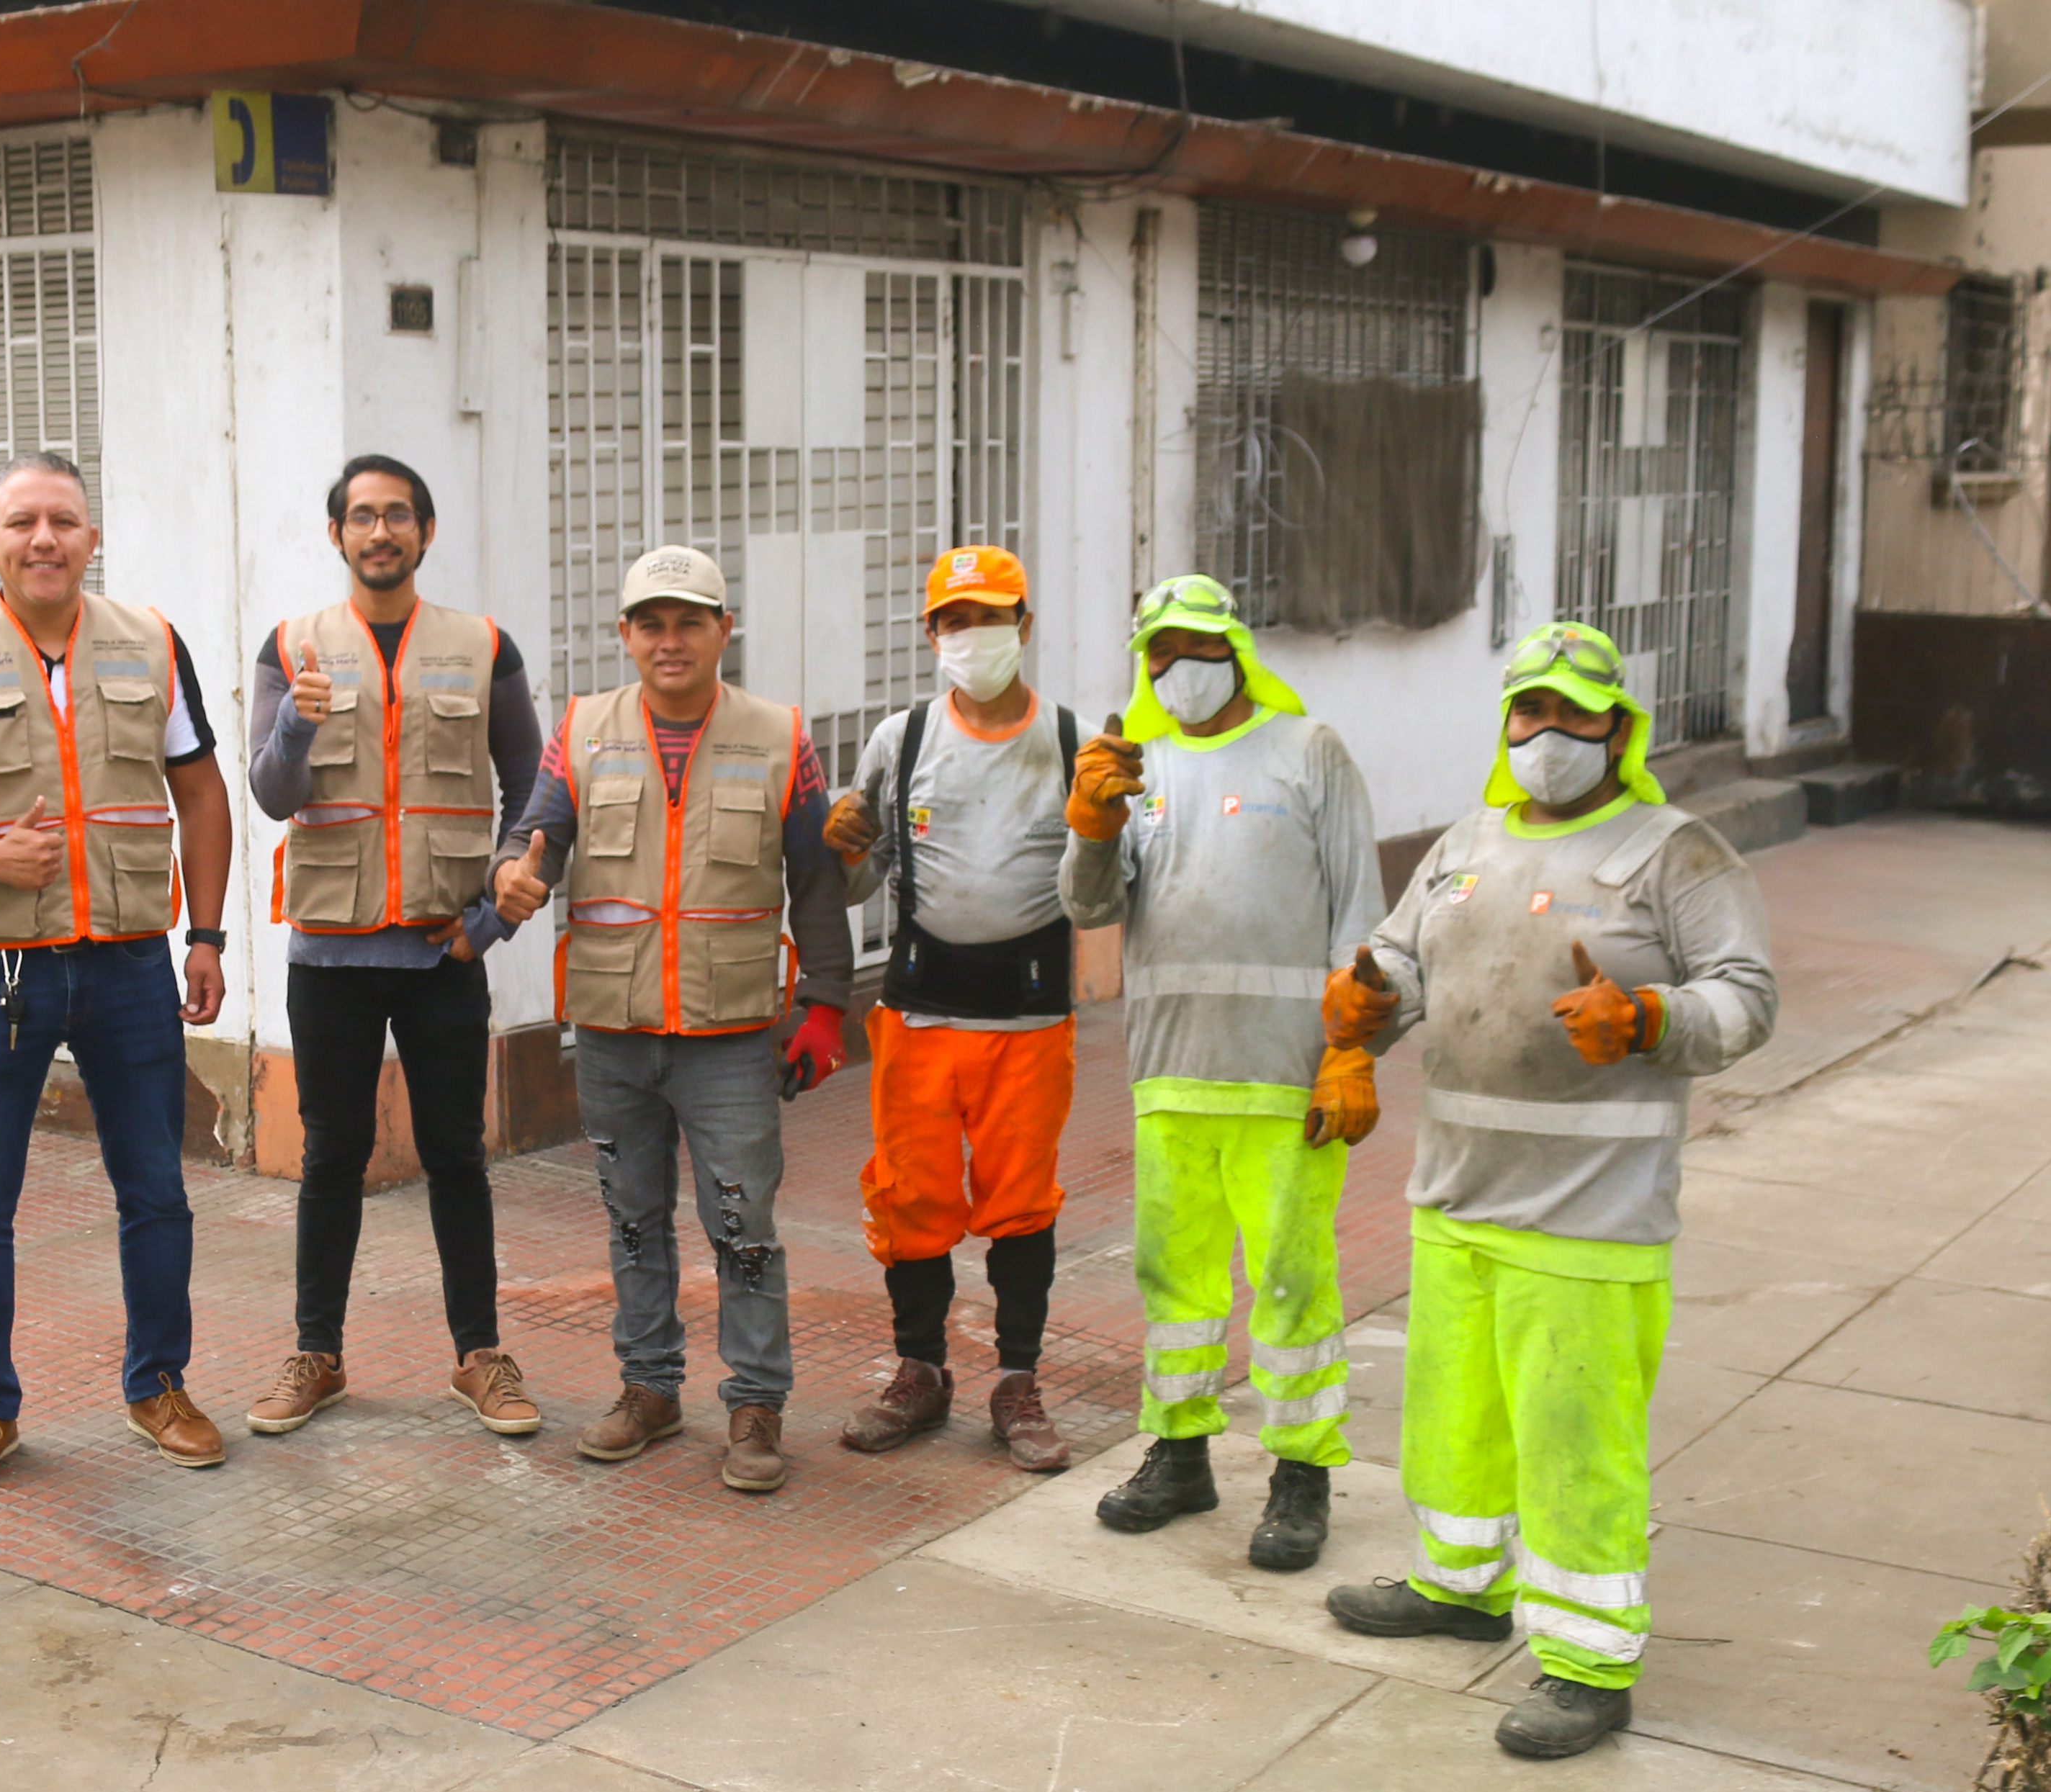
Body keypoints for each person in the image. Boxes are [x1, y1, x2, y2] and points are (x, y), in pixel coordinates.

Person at [1319, 621, 1777, 1759]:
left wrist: (1650, 1020)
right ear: (1506, 721)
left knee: (1575, 1440)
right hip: (1457, 1197)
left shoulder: (1675, 853)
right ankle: (1460, 1585)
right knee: (1455, 1419)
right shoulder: (1464, 842)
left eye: (1577, 713)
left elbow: (1748, 998)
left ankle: (1584, 1661)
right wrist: (1361, 1010)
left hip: (1590, 1215)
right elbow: (1400, 960)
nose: (1549, 733)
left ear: (1620, 730)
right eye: (1530, 710)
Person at [0, 453, 236, 1495]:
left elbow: (202, 796)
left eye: (62, 520)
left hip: (127, 965)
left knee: (156, 1189)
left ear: (91, 536)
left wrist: (204, 937)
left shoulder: (150, 642)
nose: (43, 539)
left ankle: (158, 1383)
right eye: (21, 522)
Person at [489, 544, 853, 1492]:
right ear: (625, 635)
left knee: (741, 1220)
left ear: (723, 630)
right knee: (634, 1221)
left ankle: (755, 1401)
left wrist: (824, 1003)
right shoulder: (582, 728)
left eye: (690, 620)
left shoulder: (779, 735)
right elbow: (533, 835)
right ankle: (648, 1386)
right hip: (614, 1033)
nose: (669, 639)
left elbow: (815, 881)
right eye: (650, 622)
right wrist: (510, 877)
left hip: (730, 1038)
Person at [1063, 572, 1384, 1572]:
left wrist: (1350, 1051)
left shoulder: (1307, 751)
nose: (1176, 667)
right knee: (1177, 1280)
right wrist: (1089, 820)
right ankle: (1180, 1449)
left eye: (1195, 647)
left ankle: (1300, 1472)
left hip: (1285, 1078)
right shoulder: (1136, 763)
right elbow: (1084, 907)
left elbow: (1359, 912)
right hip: (1171, 1073)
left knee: (1292, 1279)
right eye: (1158, 650)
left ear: (1235, 649)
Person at [243, 456, 545, 1439]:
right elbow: (271, 793)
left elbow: (535, 798)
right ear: (335, 535)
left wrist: (490, 921)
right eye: (362, 517)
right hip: (328, 952)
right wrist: (296, 720)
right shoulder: (290, 647)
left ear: (424, 531)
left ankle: (479, 1355)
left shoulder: (482, 647)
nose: (381, 532)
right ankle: (316, 1354)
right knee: (333, 1154)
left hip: (439, 950)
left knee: (457, 1154)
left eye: (398, 516)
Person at [822, 545, 1087, 1474]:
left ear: (1025, 623)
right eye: (953, 620)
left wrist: (1102, 828)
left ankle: (1017, 1383)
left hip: (1029, 1019)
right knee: (911, 1199)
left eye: (990, 617)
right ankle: (920, 1372)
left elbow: (1097, 893)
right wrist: (844, 845)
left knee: (1021, 1205)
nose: (972, 636)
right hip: (921, 1013)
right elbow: (860, 880)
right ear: (930, 634)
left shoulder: (1068, 737)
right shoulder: (904, 740)